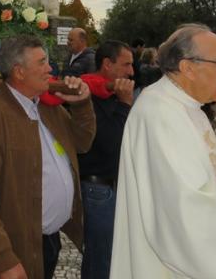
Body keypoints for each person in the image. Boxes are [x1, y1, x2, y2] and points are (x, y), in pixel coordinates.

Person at [110, 23, 216, 279]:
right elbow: (181, 210)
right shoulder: (159, 113)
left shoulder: (188, 106)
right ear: (188, 68)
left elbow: (215, 167)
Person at [0, 35, 95, 279]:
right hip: (16, 247)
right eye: (42, 62)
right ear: (19, 72)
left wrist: (82, 104)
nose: (50, 69)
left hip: (47, 241)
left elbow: (82, 143)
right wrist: (3, 259)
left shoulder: (45, 106)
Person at [77, 40, 134, 279]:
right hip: (96, 187)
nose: (131, 71)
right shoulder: (89, 93)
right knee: (102, 259)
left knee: (106, 257)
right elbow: (111, 142)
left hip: (107, 185)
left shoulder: (109, 92)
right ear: (107, 64)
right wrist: (124, 104)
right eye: (126, 64)